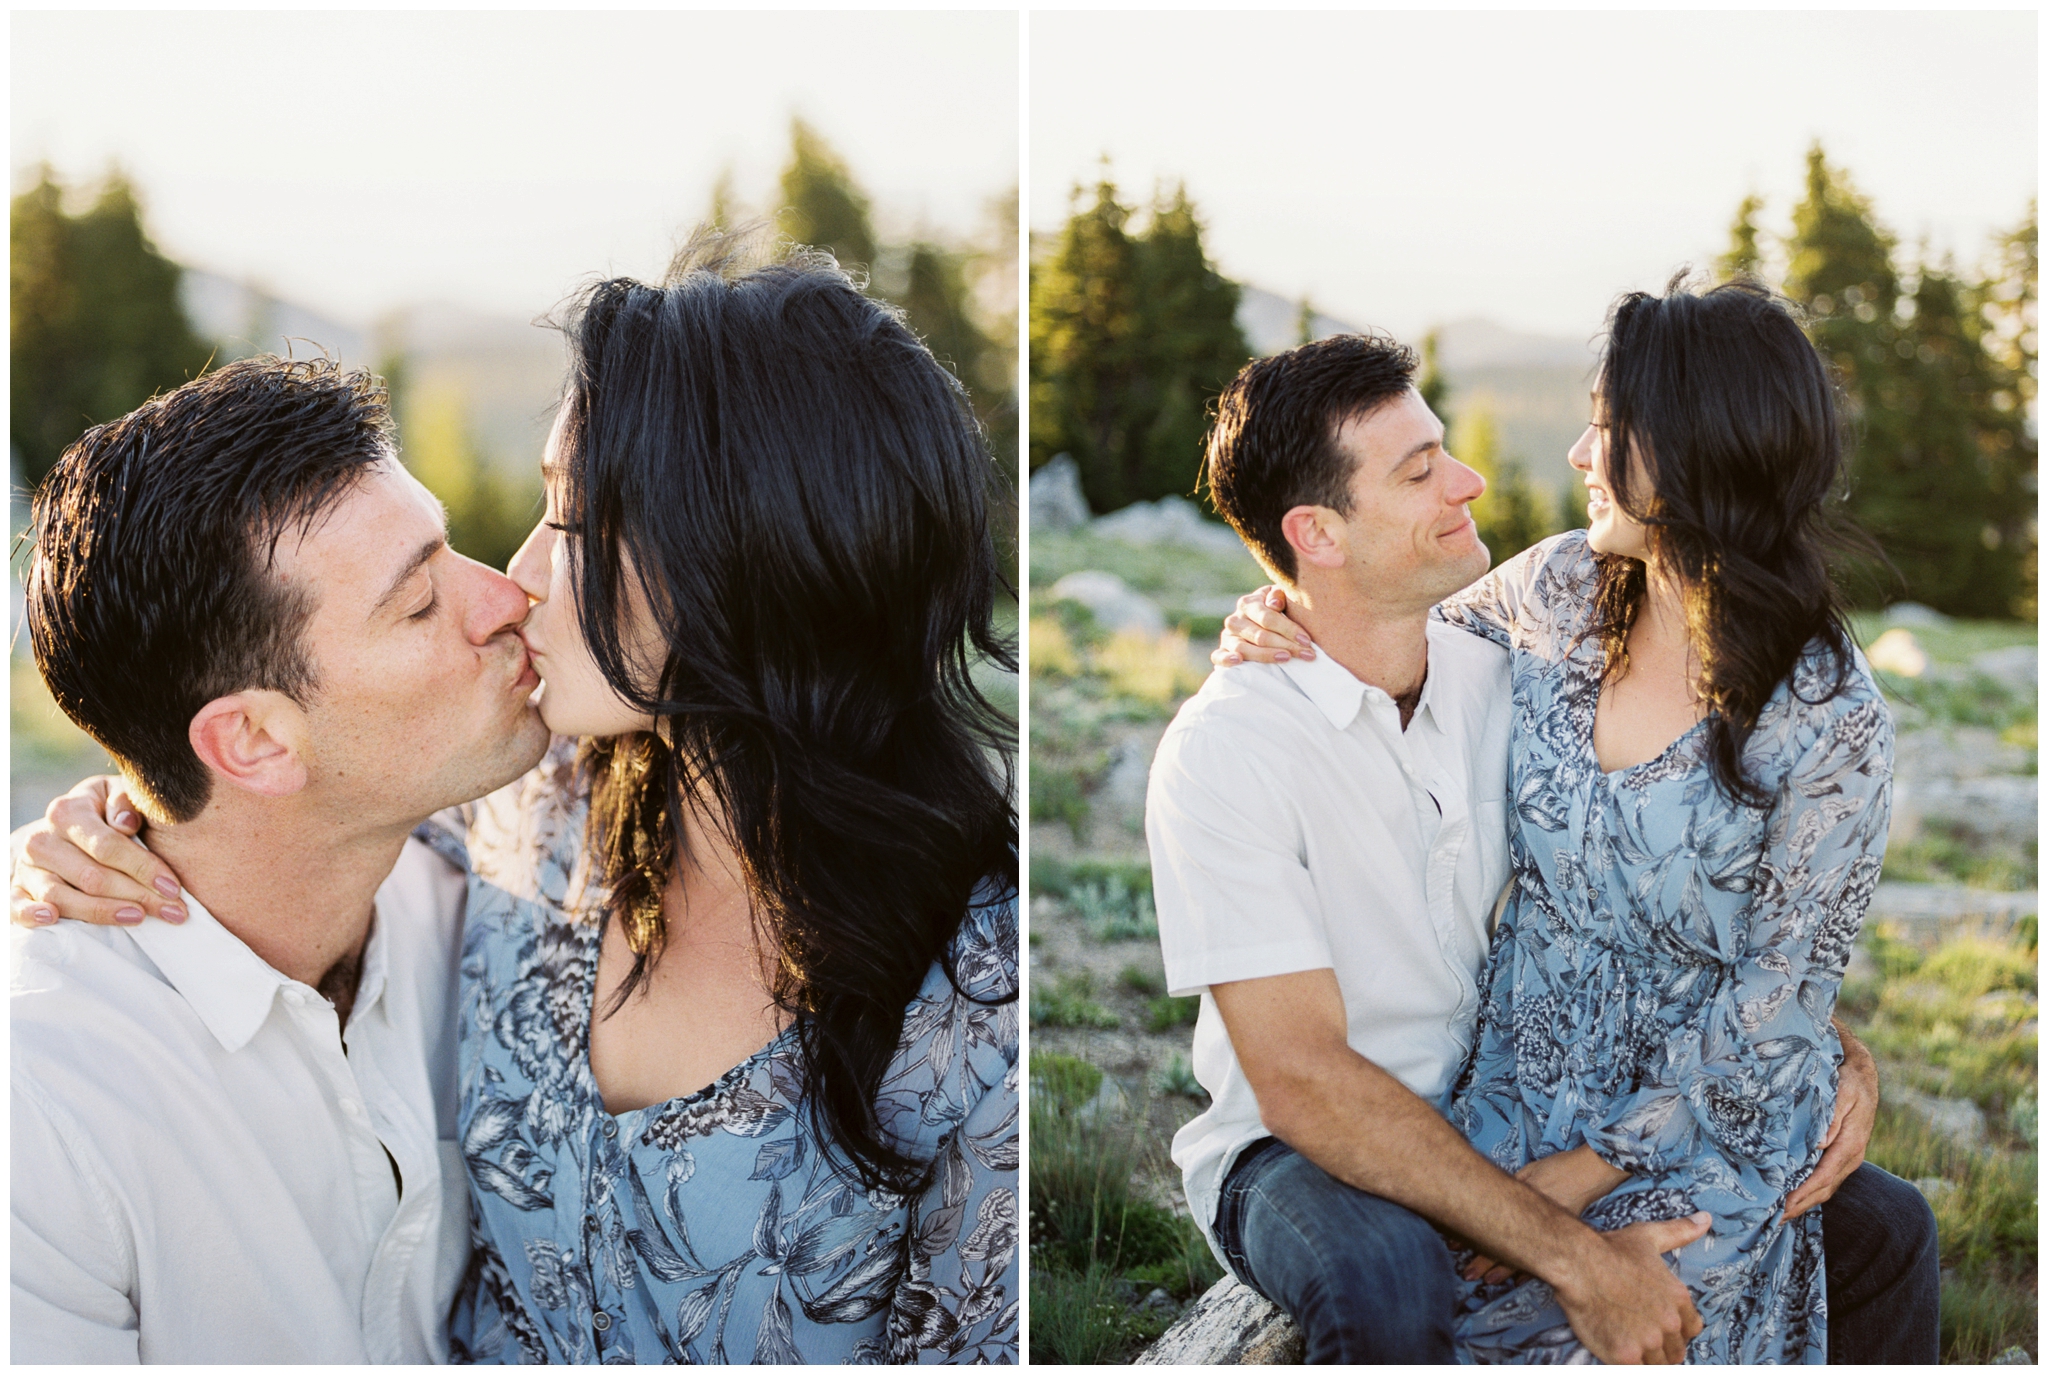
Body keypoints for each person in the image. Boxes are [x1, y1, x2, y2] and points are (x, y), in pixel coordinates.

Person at [13, 234, 1020, 1364]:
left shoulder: (976, 1005)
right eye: (421, 596)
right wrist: (88, 828)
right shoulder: (525, 820)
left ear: (744, 557)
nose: (514, 582)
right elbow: (240, 806)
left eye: (574, 522)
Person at [1161, 293, 1937, 1362]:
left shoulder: (1812, 716)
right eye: (1418, 470)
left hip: (1665, 1115)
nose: (1573, 452)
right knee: (1418, 1290)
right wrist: (1270, 606)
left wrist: (1822, 1061)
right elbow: (1371, 619)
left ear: (1697, 449)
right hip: (1463, 1101)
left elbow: (1776, 995)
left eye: (1606, 426)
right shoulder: (1555, 600)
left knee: (1821, 1255)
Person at [12, 355, 550, 1362]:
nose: (506, 598)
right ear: (253, 742)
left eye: (454, 553)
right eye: (420, 605)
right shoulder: (42, 1107)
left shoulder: (493, 886)